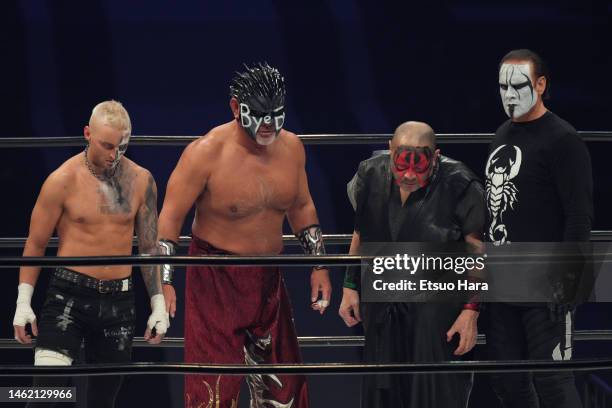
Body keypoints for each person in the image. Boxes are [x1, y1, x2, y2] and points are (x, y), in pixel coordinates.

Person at [158, 62, 331, 408]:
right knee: (214, 389)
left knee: (284, 389)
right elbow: (170, 218)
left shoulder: (292, 148)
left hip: (267, 276)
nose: (269, 125)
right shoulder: (205, 153)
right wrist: (163, 281)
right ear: (236, 108)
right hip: (214, 276)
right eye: (260, 114)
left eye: (277, 114)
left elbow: (301, 206)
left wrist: (319, 265)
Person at [12, 100, 169, 408]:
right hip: (67, 296)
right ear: (87, 133)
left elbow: (149, 246)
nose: (114, 155)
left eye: (121, 147)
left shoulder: (141, 181)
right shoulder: (62, 180)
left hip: (119, 304)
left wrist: (158, 303)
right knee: (44, 397)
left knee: (102, 401)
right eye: (107, 145)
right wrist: (23, 301)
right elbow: (35, 244)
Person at [339, 121, 485, 408]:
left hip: (436, 312)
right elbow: (360, 233)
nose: (408, 175)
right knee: (382, 394)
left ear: (436, 156)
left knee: (434, 394)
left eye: (419, 168)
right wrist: (349, 285)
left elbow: (477, 254)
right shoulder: (369, 173)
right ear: (390, 150)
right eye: (401, 165)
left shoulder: (461, 184)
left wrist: (471, 312)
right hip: (383, 306)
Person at [485, 49, 592, 408]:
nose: (510, 95)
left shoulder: (563, 140)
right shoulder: (502, 133)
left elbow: (579, 216)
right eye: (503, 87)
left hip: (546, 282)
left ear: (541, 85)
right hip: (503, 282)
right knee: (508, 380)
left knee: (553, 381)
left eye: (518, 85)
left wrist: (569, 279)